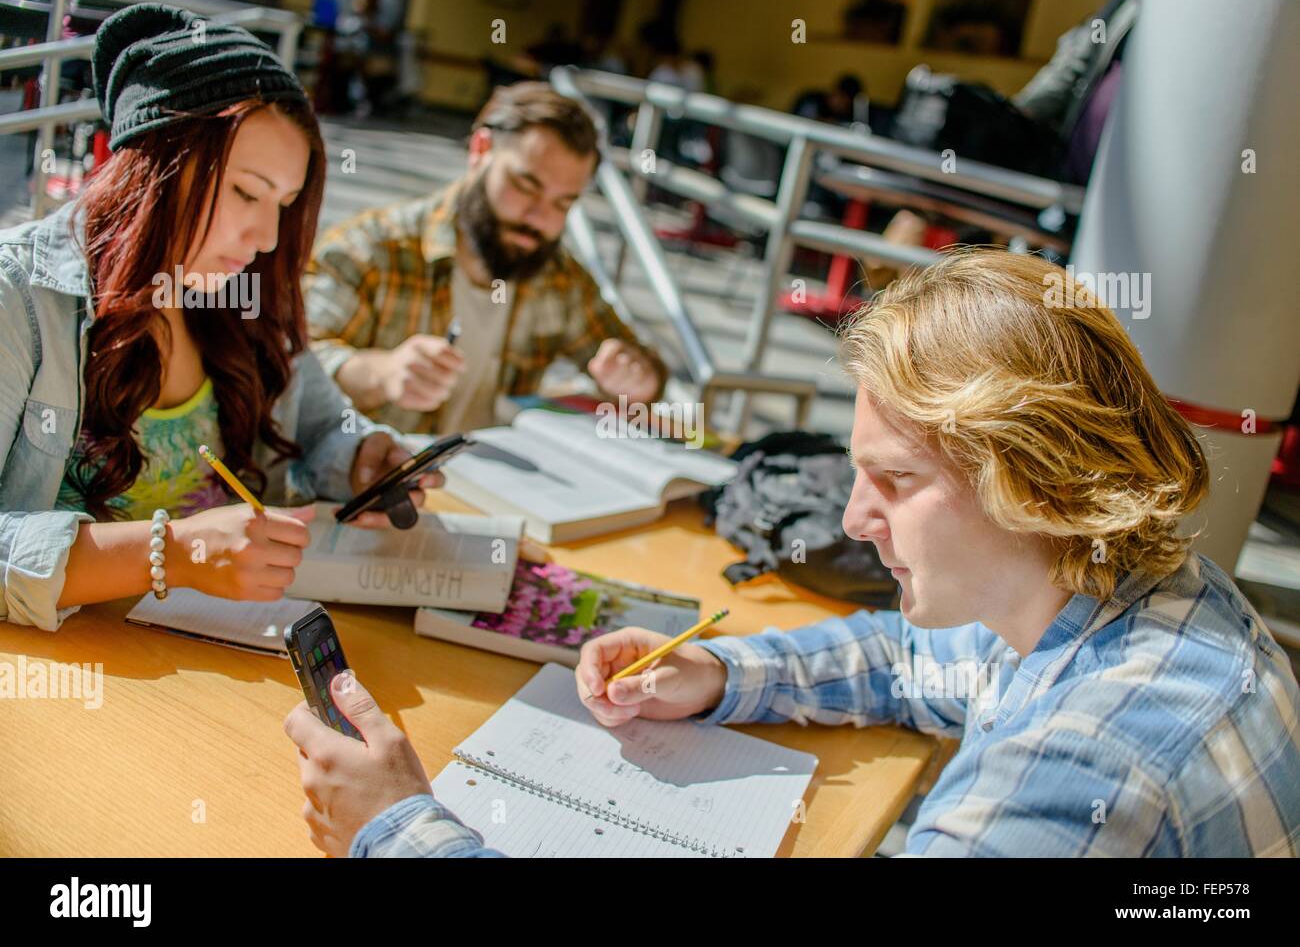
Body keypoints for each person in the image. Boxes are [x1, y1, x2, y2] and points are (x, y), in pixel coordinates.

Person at [286, 250, 1300, 857]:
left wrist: (400, 830)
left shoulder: (1065, 787)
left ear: (1031, 480)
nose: (855, 518)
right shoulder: (1132, 590)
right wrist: (718, 671)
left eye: (896, 483)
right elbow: (912, 664)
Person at [0, 3, 435, 631]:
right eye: (245, 192)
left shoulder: (245, 296)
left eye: (284, 204)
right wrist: (173, 553)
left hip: (227, 657)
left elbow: (320, 425)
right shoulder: (20, 297)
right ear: (154, 165)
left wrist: (362, 457)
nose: (265, 235)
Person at [304, 81, 668, 436]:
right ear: (480, 150)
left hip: (497, 486)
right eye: (526, 186)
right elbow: (295, 367)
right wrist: (381, 373)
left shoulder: (558, 274)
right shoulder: (369, 249)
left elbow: (637, 364)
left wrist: (638, 378)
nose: (539, 217)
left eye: (563, 203)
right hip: (378, 484)